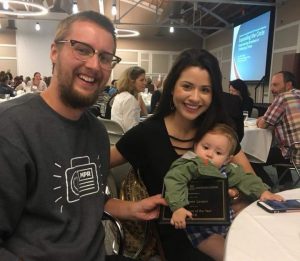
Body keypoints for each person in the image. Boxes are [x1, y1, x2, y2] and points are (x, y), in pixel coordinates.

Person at [0, 11, 166, 261]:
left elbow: (88, 201)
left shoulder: (96, 132)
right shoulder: (11, 128)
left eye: (105, 57)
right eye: (82, 49)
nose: (93, 65)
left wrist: (132, 208)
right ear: (54, 52)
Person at [110, 48, 257, 261]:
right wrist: (119, 206)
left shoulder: (217, 133)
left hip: (228, 226)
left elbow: (250, 180)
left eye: (205, 90)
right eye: (187, 86)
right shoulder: (147, 133)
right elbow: (95, 164)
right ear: (172, 88)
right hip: (181, 238)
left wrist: (232, 194)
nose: (195, 98)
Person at [164, 123, 283, 261]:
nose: (209, 154)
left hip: (228, 220)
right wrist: (178, 207)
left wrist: (262, 191)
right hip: (201, 227)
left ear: (227, 158)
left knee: (254, 243)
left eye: (218, 153)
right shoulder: (189, 165)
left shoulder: (228, 169)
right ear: (196, 146)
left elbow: (246, 179)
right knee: (227, 254)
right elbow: (174, 181)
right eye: (205, 147)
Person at [253, 71, 300, 187]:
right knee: (280, 148)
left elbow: (263, 124)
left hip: (295, 153)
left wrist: (261, 119)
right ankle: (286, 184)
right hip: (294, 147)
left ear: (288, 85)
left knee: (251, 158)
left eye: (275, 85)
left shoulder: (283, 98)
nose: (272, 89)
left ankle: (268, 186)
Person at [111, 66, 147, 132]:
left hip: (118, 137)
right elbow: (131, 130)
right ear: (132, 82)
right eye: (141, 80)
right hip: (127, 139)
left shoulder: (120, 96)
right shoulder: (129, 99)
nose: (145, 83)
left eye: (145, 80)